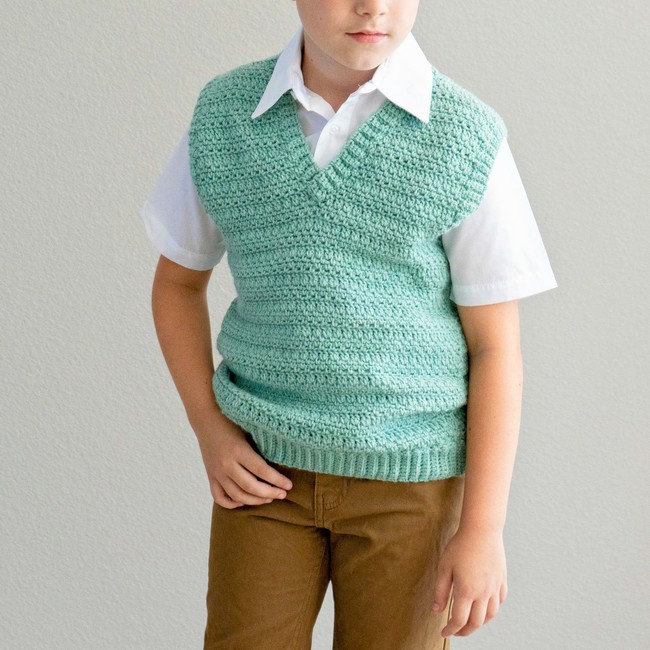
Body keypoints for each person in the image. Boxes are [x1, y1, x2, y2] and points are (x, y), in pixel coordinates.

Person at [138, 1, 558, 647]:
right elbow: (177, 284)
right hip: (263, 477)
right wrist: (209, 429)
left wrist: (482, 528)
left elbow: (495, 348)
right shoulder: (225, 116)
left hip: (411, 488)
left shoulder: (464, 136)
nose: (373, 6)